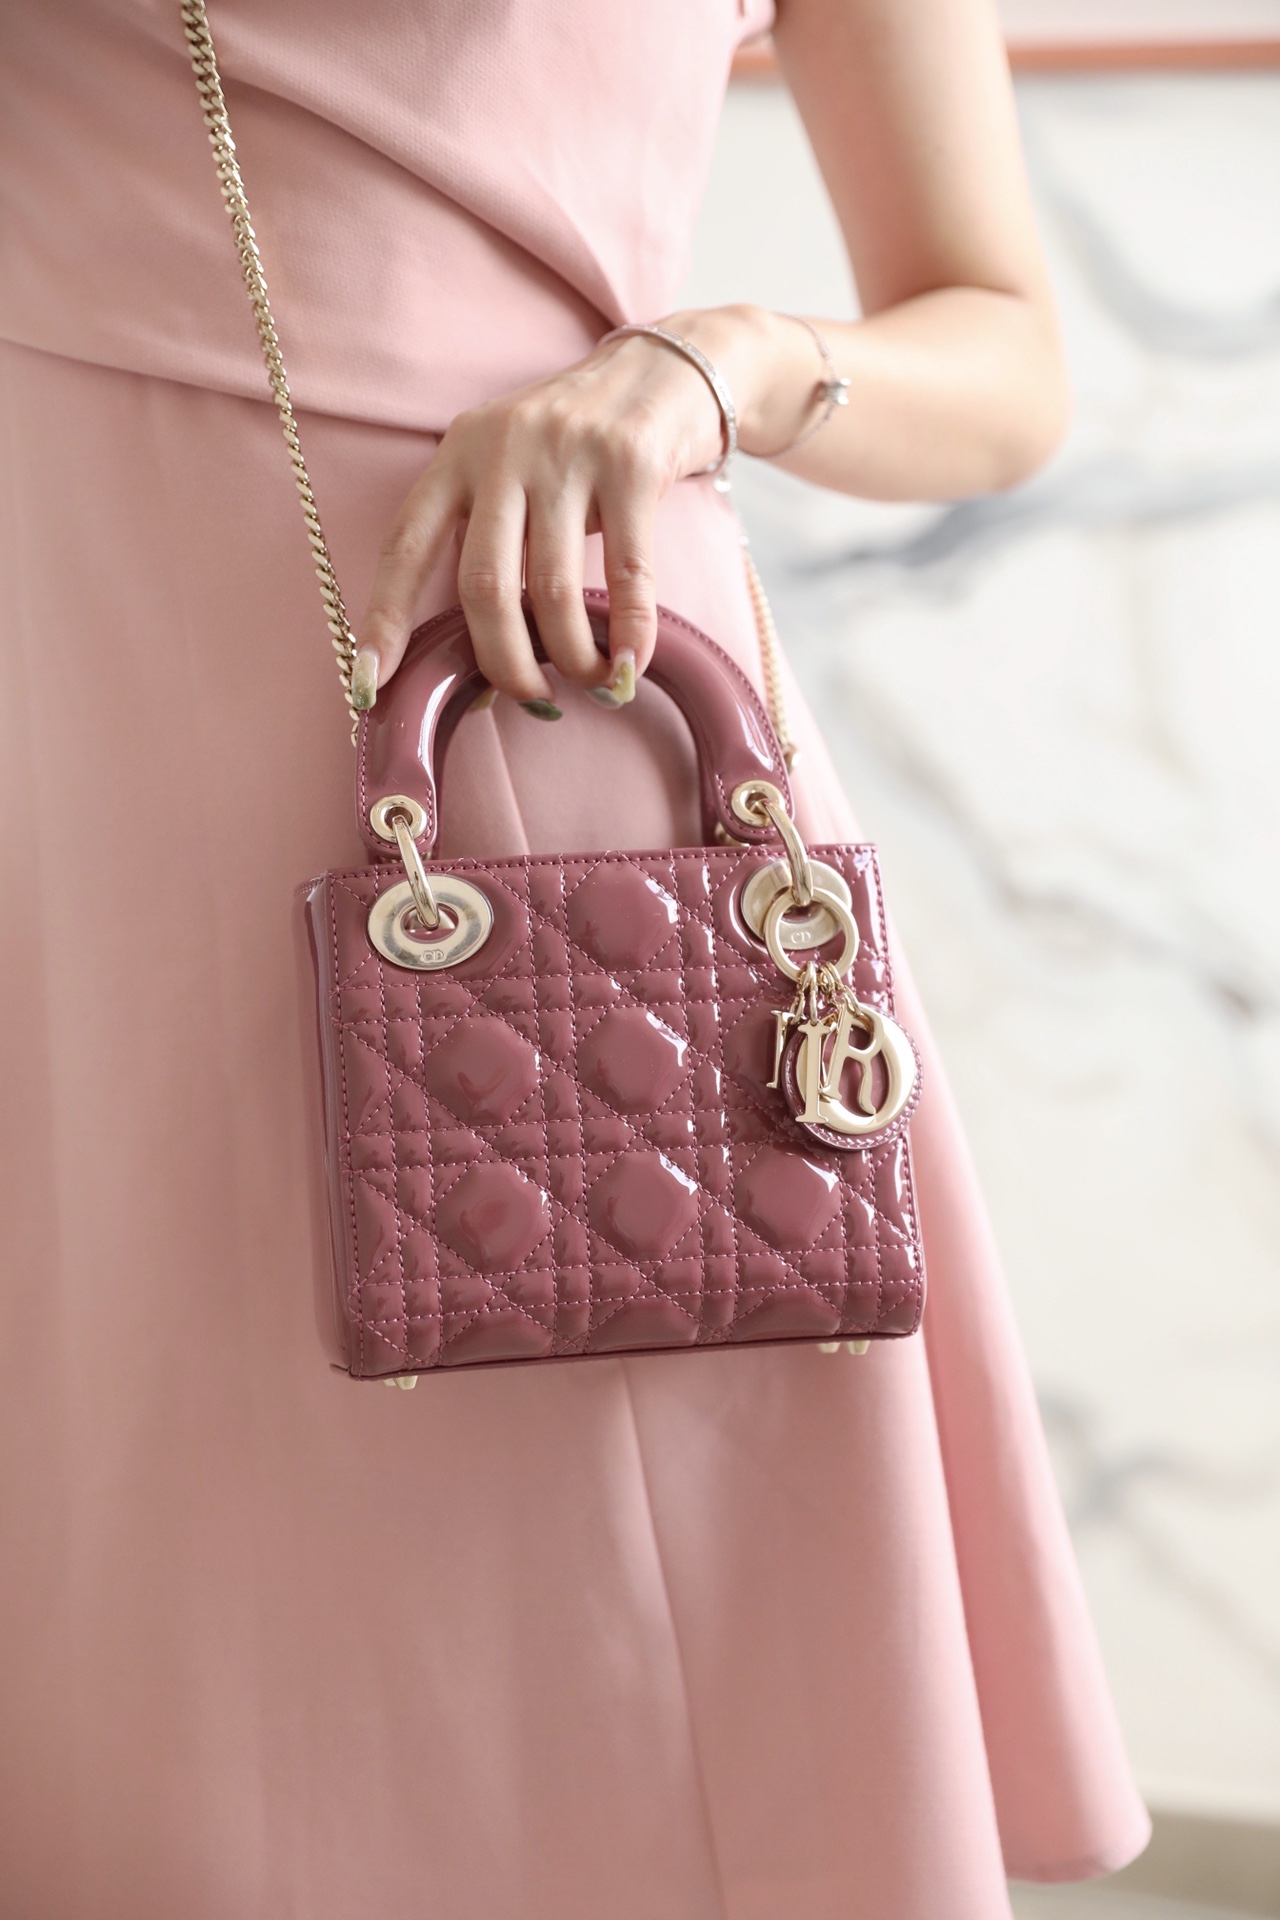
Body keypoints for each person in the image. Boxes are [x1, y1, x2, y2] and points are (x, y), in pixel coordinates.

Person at [0, 2, 1149, 1915]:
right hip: (57, 724)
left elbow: (1002, 352)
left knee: (584, 1666)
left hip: (524, 727)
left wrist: (718, 367)